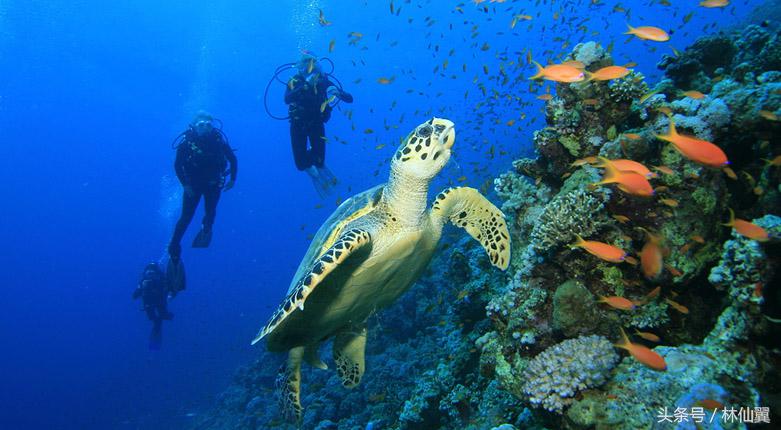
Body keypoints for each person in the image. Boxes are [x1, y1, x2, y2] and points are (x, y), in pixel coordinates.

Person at [168, 111, 237, 261]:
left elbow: (233, 159)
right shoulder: (187, 143)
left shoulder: (218, 140)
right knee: (186, 217)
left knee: (210, 212)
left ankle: (205, 230)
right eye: (201, 125)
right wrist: (185, 185)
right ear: (194, 126)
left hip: (213, 184)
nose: (205, 127)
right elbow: (178, 165)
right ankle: (173, 248)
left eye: (208, 125)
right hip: (193, 187)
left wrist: (232, 180)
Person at [285, 54, 353, 197]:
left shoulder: (323, 81)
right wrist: (305, 85)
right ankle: (310, 164)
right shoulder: (295, 81)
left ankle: (315, 161)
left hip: (317, 123)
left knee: (320, 162)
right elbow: (287, 98)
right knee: (300, 165)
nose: (309, 66)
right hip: (298, 124)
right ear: (300, 65)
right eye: (306, 62)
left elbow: (350, 99)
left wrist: (339, 93)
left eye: (312, 62)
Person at [133, 262, 173, 350]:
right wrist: (138, 291)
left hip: (160, 302)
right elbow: (135, 294)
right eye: (149, 274)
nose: (150, 276)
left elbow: (169, 288)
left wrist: (168, 294)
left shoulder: (161, 280)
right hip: (148, 304)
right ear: (145, 274)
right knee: (153, 318)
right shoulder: (143, 282)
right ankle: (157, 328)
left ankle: (162, 321)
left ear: (156, 274)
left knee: (164, 315)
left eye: (152, 274)